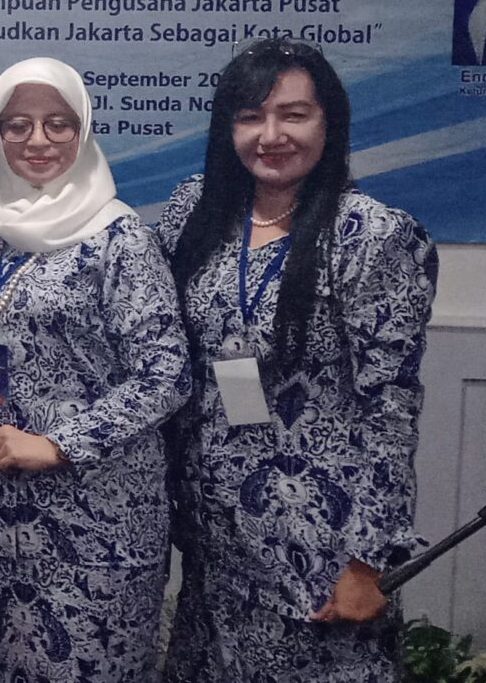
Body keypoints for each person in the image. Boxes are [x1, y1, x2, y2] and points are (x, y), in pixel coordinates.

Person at [158, 39, 436, 682]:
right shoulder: (195, 212)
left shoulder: (372, 235)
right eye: (250, 116)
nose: (271, 135)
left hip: (321, 540)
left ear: (328, 122)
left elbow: (392, 411)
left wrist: (369, 560)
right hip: (213, 535)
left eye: (294, 114)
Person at [0, 58, 187, 683]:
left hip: (97, 517)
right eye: (17, 125)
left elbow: (166, 373)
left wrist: (59, 444)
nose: (37, 141)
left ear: (84, 129)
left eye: (58, 124)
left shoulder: (119, 238)